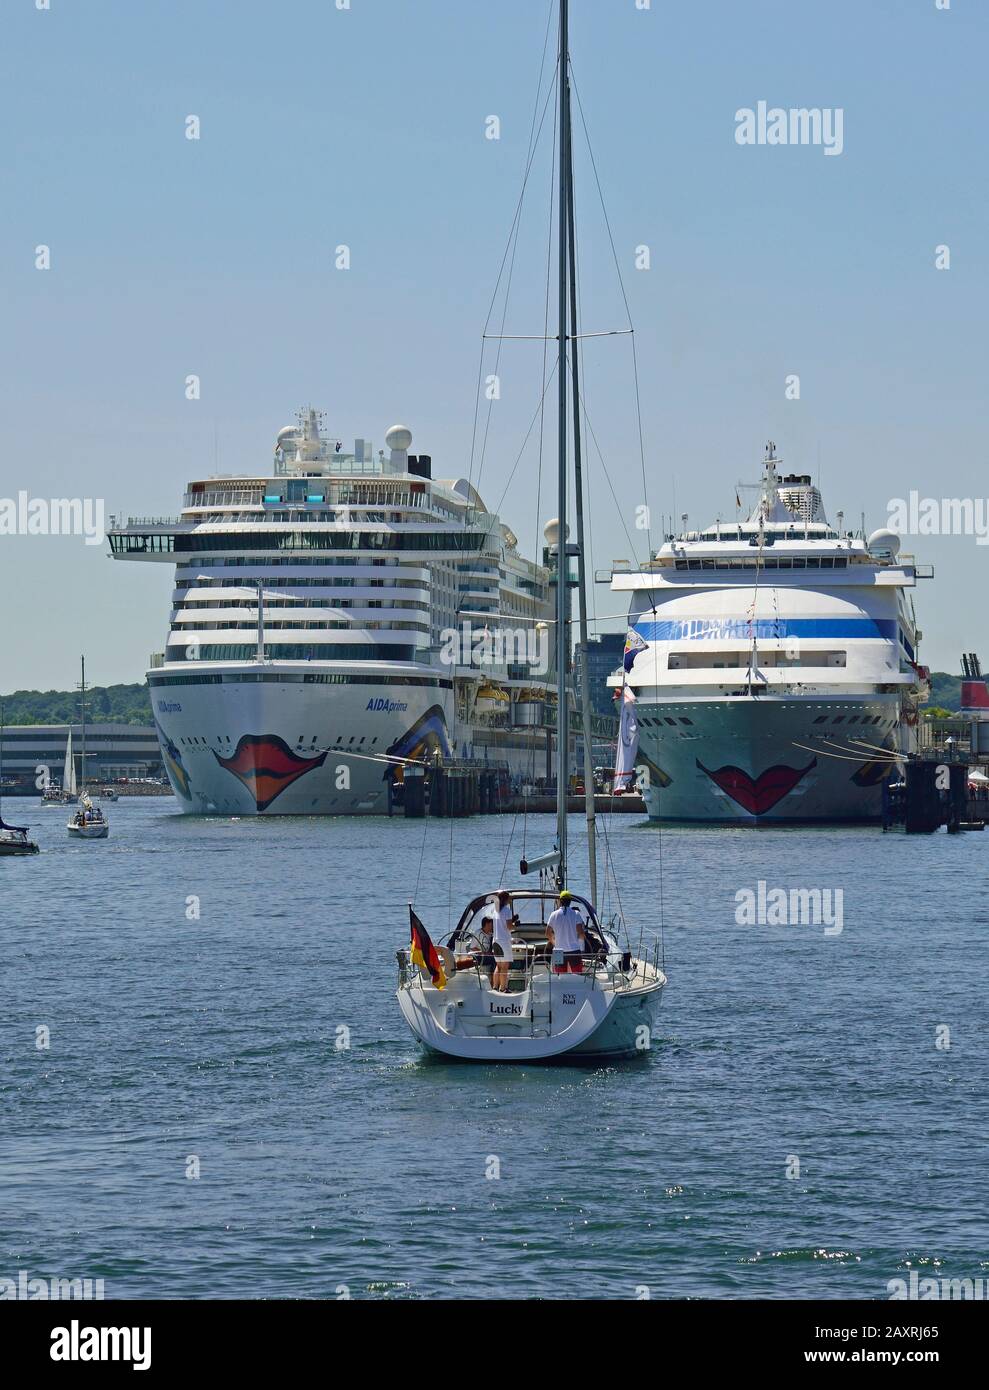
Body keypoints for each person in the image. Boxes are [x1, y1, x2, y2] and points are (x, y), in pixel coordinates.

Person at [546, 890, 586, 975]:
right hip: (574, 950)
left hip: (558, 951)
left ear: (560, 901)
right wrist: (582, 947)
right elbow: (581, 933)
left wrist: (554, 943)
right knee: (577, 975)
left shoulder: (554, 914)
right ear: (570, 901)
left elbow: (547, 933)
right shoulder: (576, 914)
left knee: (559, 976)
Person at [490, 889, 516, 992]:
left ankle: (495, 987)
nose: (510, 900)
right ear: (506, 899)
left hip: (495, 941)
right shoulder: (507, 911)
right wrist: (516, 926)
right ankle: (503, 988)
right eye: (509, 898)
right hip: (504, 941)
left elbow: (501, 924)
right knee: (505, 966)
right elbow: (509, 927)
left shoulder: (495, 910)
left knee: (499, 966)